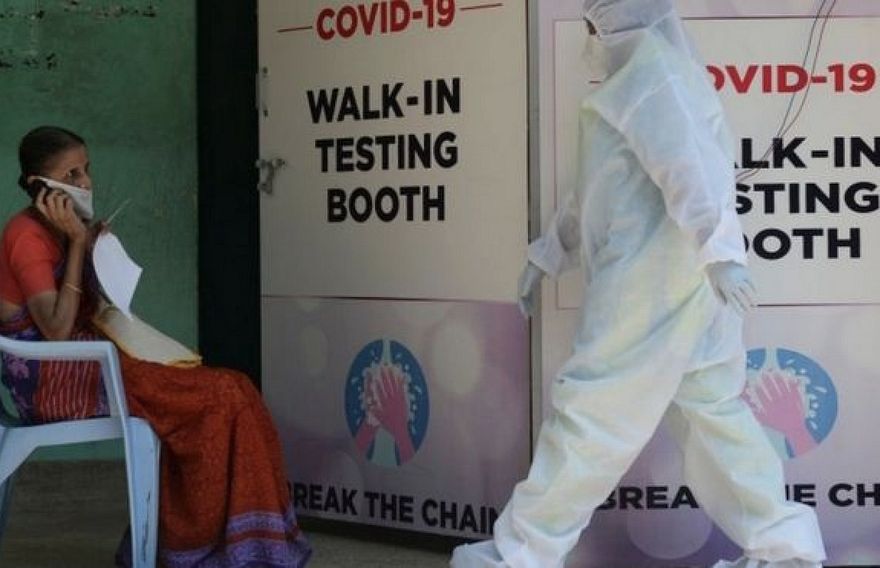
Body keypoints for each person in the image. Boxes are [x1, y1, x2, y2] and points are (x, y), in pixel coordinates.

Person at [451, 1, 826, 567]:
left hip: (650, 288)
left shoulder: (655, 80)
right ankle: (785, 548)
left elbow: (693, 169)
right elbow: (598, 189)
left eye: (592, 22)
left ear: (612, 21)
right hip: (683, 285)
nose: (587, 35)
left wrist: (722, 253)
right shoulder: (641, 81)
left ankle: (520, 554)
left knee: (591, 415)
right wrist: (547, 255)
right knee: (712, 417)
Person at [0, 125, 312, 567]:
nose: (86, 182)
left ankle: (241, 544)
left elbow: (86, 307)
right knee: (223, 396)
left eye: (86, 169)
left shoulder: (61, 227)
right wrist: (77, 245)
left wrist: (93, 246)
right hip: (53, 381)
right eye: (71, 175)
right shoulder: (26, 235)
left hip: (93, 359)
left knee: (235, 390)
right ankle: (193, 548)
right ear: (39, 186)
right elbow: (56, 329)